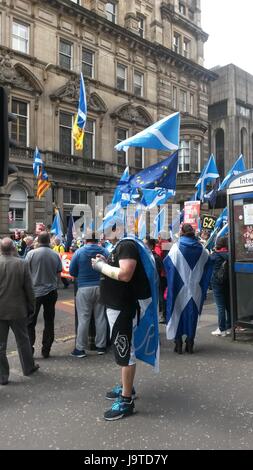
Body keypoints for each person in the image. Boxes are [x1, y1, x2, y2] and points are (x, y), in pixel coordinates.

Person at [91, 225, 152, 421]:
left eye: (105, 228)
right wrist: (105, 262)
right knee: (123, 350)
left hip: (122, 307)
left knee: (125, 352)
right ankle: (127, 387)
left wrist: (101, 266)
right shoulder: (122, 246)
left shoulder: (126, 245)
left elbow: (125, 274)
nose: (101, 233)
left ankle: (127, 401)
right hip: (118, 306)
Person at [164, 223, 213, 354]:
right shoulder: (201, 249)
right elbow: (208, 265)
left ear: (181, 232)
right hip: (195, 288)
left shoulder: (176, 248)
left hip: (178, 287)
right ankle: (190, 342)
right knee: (192, 314)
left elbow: (167, 264)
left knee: (176, 312)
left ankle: (178, 342)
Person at [0, 238, 39, 384]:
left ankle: (2, 376)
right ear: (13, 248)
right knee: (23, 340)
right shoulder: (21, 264)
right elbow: (29, 289)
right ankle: (28, 367)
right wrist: (32, 306)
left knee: (0, 345)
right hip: (18, 309)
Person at [69, 234, 108, 357]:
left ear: (86, 240)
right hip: (101, 287)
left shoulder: (79, 252)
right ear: (97, 240)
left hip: (84, 287)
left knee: (83, 318)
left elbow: (72, 271)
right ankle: (101, 347)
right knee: (101, 317)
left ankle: (80, 349)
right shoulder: (104, 251)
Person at [26, 232, 62, 358]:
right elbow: (58, 275)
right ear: (48, 241)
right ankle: (46, 349)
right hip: (51, 291)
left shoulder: (31, 254)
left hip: (34, 292)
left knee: (30, 322)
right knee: (49, 320)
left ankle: (29, 350)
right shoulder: (55, 255)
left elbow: (26, 273)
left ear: (38, 241)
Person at [210, 236, 231, 337]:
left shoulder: (215, 255)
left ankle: (221, 329)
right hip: (227, 281)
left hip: (217, 282)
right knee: (228, 304)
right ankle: (229, 326)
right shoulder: (229, 254)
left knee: (220, 306)